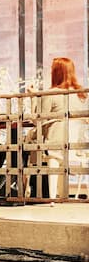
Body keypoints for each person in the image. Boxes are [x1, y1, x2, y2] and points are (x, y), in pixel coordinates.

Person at [28, 57, 89, 199]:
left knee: (27, 144)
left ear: (55, 73)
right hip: (77, 145)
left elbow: (37, 119)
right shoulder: (81, 94)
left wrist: (34, 97)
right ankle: (62, 194)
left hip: (55, 144)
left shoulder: (52, 93)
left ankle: (32, 189)